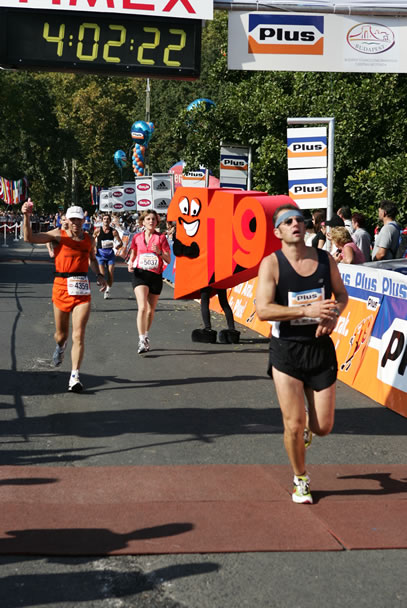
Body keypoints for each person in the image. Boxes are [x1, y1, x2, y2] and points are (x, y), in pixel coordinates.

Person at [255, 204, 348, 504]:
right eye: (288, 221)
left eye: (299, 220)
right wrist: (306, 310)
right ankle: (300, 478)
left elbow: (341, 296)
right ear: (277, 231)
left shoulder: (324, 260)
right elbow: (263, 309)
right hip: (287, 350)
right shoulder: (272, 264)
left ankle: (309, 427)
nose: (295, 224)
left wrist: (334, 315)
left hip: (320, 348)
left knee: (323, 427)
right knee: (292, 424)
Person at [22, 200, 107, 392]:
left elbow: (92, 259)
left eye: (79, 219)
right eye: (73, 219)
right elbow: (29, 238)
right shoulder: (58, 235)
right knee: (61, 335)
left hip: (82, 289)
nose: (76, 223)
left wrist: (99, 275)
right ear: (67, 220)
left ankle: (74, 376)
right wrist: (26, 216)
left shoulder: (88, 239)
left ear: (84, 221)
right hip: (61, 287)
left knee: (79, 334)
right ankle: (60, 347)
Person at [127, 210, 171, 354]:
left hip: (155, 275)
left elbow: (168, 259)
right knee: (142, 307)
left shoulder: (161, 238)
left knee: (151, 310)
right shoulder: (137, 237)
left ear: (157, 222)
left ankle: (145, 336)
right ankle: (141, 339)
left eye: (153, 219)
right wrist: (131, 262)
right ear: (143, 222)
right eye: (148, 219)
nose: (151, 221)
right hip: (140, 274)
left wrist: (159, 252)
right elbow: (133, 252)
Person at [93, 213, 123, 299]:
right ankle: (103, 284)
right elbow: (92, 240)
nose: (106, 220)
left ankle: (107, 290)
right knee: (102, 274)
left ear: (110, 221)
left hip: (110, 254)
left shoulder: (114, 231)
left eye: (107, 219)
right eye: (104, 219)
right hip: (100, 254)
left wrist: (118, 246)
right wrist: (94, 248)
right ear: (102, 221)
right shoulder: (98, 230)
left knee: (110, 273)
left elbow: (121, 242)